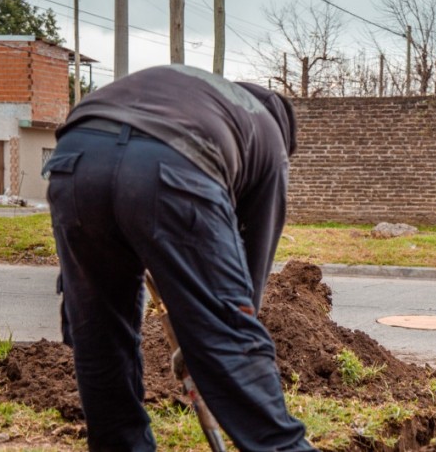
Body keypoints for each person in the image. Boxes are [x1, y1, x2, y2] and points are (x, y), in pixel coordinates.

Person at [43, 65, 315, 451]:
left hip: (76, 160)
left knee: (99, 332)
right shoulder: (269, 136)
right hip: (172, 165)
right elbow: (248, 276)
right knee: (230, 335)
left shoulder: (202, 97)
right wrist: (211, 338)